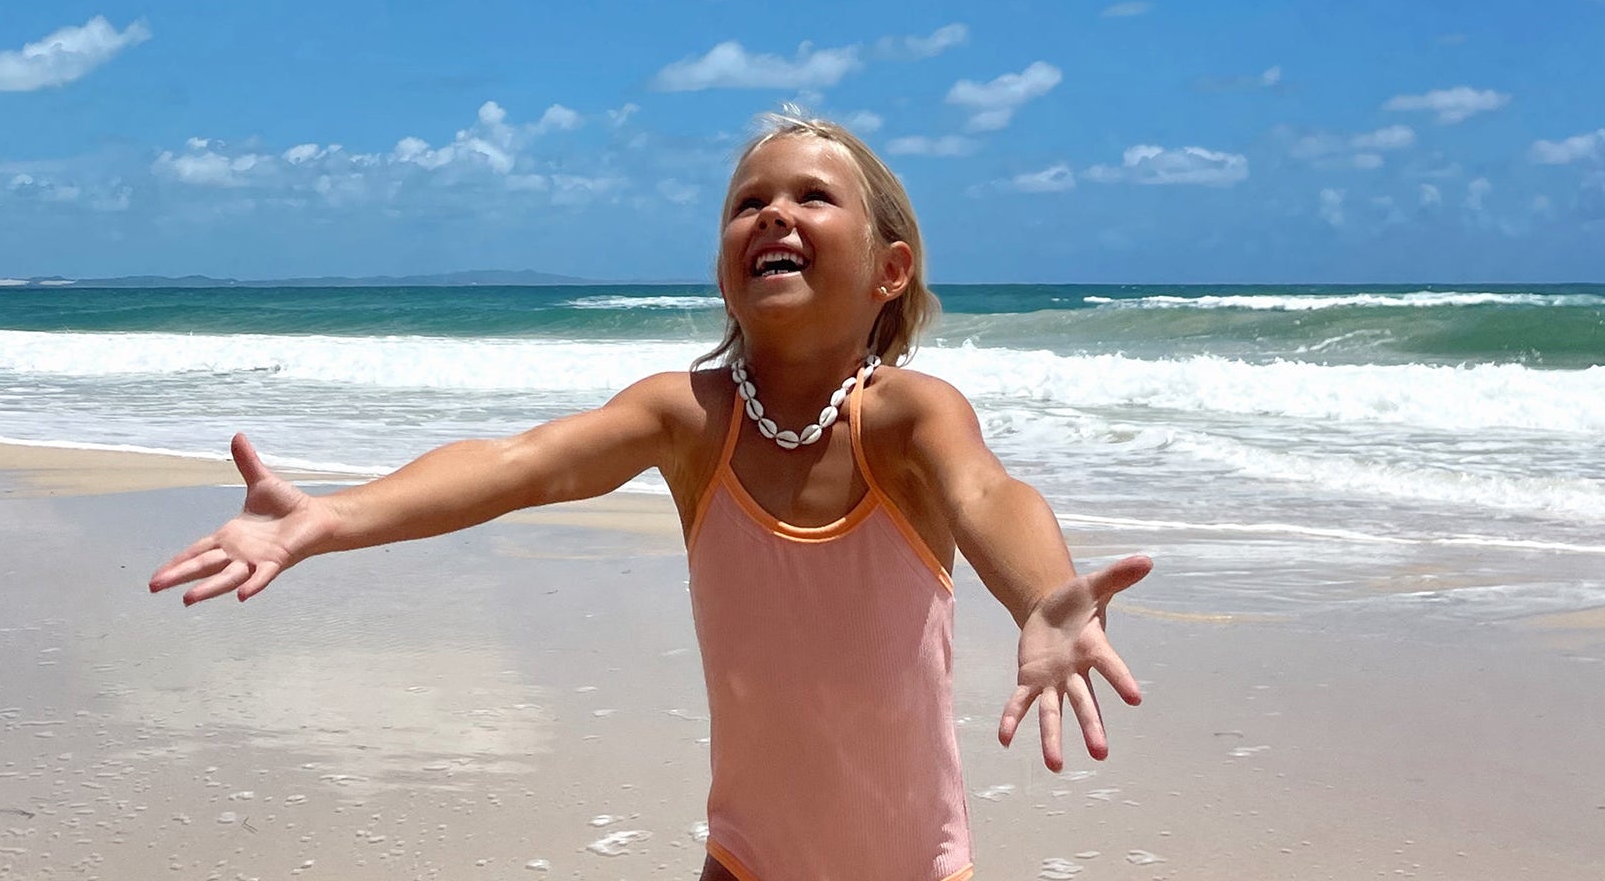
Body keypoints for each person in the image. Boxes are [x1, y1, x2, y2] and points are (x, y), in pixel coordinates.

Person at [151, 110, 1151, 881]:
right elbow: (520, 460)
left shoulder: (903, 418)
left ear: (890, 268)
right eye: (747, 201)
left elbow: (986, 491)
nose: (772, 212)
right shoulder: (690, 418)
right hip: (742, 859)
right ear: (726, 273)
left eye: (812, 196)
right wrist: (334, 514)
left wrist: (1041, 593)